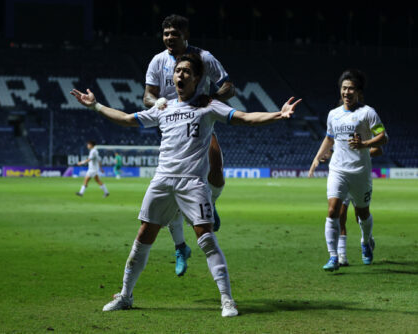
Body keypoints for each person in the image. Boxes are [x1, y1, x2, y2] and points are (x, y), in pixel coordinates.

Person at [70, 52, 301, 317]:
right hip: (162, 182)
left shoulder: (208, 106)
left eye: (187, 72)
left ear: (197, 79)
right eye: (178, 71)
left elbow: (245, 118)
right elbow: (125, 119)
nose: (180, 75)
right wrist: (95, 106)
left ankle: (227, 300)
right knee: (143, 238)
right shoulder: (163, 108)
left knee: (206, 239)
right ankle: (125, 295)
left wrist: (278, 114)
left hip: (192, 184)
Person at [143, 14, 236, 276]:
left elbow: (229, 87)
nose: (170, 38)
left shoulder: (204, 58)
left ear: (186, 36)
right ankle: (180, 246)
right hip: (170, 125)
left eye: (175, 33)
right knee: (172, 185)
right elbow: (147, 94)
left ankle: (211, 202)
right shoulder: (158, 61)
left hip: (199, 122)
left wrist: (210, 98)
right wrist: (157, 103)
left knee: (216, 169)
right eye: (166, 34)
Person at [309, 69, 388, 271]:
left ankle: (366, 240)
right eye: (344, 88)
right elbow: (329, 138)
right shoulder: (333, 114)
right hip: (338, 170)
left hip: (360, 172)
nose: (347, 92)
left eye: (351, 88)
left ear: (358, 92)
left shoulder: (368, 113)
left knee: (362, 214)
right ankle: (334, 256)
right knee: (333, 210)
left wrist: (365, 144)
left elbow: (384, 137)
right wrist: (317, 158)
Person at [320, 146, 385, 266]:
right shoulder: (339, 130)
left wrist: (358, 154)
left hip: (359, 177)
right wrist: (326, 154)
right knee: (340, 216)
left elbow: (379, 150)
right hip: (341, 177)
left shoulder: (363, 130)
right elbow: (332, 148)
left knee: (360, 215)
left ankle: (366, 240)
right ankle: (341, 256)